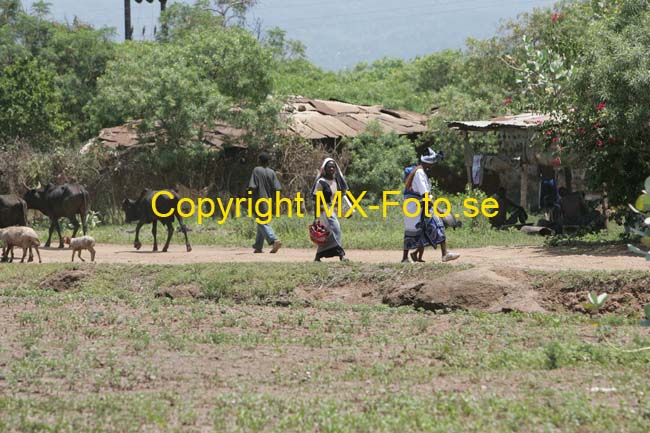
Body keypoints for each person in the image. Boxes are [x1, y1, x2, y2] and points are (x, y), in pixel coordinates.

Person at [401, 148, 460, 263]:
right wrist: (438, 209)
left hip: (415, 206)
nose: (433, 166)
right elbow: (426, 195)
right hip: (417, 207)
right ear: (427, 163)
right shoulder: (420, 173)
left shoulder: (419, 172)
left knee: (418, 231)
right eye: (432, 163)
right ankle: (445, 254)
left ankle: (409, 256)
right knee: (437, 225)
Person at [311, 158, 349, 262]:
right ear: (325, 169)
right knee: (336, 228)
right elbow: (316, 200)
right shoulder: (321, 182)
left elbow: (339, 197)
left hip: (333, 209)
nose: (331, 169)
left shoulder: (336, 181)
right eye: (329, 167)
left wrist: (346, 210)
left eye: (333, 167)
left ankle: (318, 256)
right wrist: (316, 217)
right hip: (324, 210)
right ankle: (341, 255)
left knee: (328, 233)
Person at [248, 152, 282, 253]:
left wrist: (249, 197)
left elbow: (252, 187)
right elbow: (277, 188)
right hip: (269, 201)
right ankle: (258, 247)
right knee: (261, 221)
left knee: (261, 221)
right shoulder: (272, 172)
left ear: (259, 161)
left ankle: (273, 239)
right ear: (268, 162)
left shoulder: (256, 170)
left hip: (259, 200)